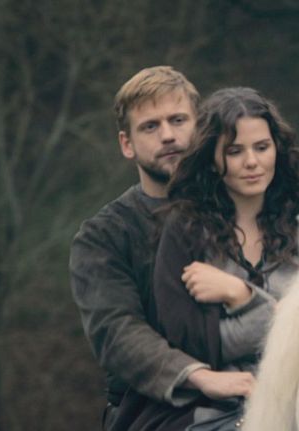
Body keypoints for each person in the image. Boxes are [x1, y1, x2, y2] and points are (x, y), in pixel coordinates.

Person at [116, 87, 299, 430]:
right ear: (212, 160)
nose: (251, 162)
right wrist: (283, 316)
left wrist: (240, 295)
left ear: (278, 150)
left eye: (262, 147)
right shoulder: (184, 230)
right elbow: (195, 345)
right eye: (234, 151)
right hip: (213, 410)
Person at [69, 66, 203, 430]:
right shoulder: (103, 236)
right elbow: (117, 333)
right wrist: (197, 376)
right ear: (126, 144)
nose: (168, 135)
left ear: (201, 127)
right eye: (150, 126)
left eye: (178, 120)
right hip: (147, 414)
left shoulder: (239, 210)